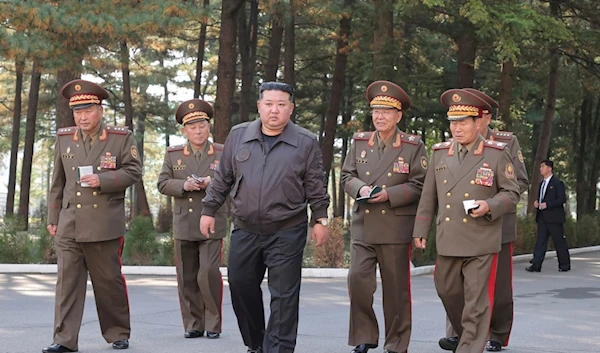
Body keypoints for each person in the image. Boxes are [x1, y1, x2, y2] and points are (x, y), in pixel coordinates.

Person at [200, 81, 330, 353]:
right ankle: (257, 343)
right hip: (245, 229)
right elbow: (223, 177)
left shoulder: (305, 142)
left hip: (286, 230)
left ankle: (279, 349)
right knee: (240, 285)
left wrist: (320, 219)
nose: (274, 110)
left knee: (284, 297)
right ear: (259, 106)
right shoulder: (238, 136)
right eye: (268, 104)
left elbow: (316, 184)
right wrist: (209, 209)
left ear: (291, 109)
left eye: (281, 105)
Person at [412, 89, 519, 353]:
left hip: (482, 238)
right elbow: (428, 197)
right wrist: (421, 228)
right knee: (446, 289)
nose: (456, 128)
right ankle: (469, 333)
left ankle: (470, 345)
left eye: (462, 122)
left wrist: (489, 205)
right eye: (453, 122)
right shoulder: (439, 153)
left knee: (475, 300)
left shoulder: (495, 153)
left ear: (477, 122)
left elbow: (512, 191)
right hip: (449, 237)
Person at [45, 79, 142, 353]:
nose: (82, 117)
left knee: (108, 282)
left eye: (87, 110)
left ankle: (117, 332)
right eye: (77, 112)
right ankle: (63, 340)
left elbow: (134, 171)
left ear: (100, 110)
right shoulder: (65, 138)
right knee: (67, 284)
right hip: (70, 223)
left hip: (104, 225)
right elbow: (58, 181)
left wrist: (104, 180)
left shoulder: (120, 138)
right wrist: (53, 217)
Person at [438, 88, 529, 352]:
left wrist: (492, 204)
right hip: (460, 227)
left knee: (496, 286)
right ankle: (458, 333)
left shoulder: (505, 143)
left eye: (480, 114)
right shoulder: (452, 145)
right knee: (457, 285)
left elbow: (518, 181)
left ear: (484, 117)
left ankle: (498, 333)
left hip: (495, 224)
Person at [340, 81, 427, 353]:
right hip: (363, 225)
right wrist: (360, 189)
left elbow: (420, 185)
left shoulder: (412, 147)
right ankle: (364, 336)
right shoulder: (360, 142)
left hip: (394, 227)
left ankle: (397, 342)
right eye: (376, 110)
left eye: (386, 111)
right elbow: (346, 176)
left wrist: (389, 194)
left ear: (398, 115)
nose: (379, 116)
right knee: (358, 281)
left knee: (396, 291)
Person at [157, 99, 228, 340]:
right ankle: (193, 323)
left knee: (208, 273)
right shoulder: (174, 154)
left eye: (202, 126)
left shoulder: (222, 152)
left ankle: (213, 323)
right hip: (184, 222)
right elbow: (162, 183)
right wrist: (183, 185)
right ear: (184, 130)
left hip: (212, 220)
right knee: (186, 275)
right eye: (192, 127)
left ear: (209, 127)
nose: (198, 131)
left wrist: (212, 182)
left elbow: (236, 180)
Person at [527, 159, 571, 272]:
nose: (540, 169)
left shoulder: (557, 183)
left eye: (543, 166)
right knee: (540, 242)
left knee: (559, 242)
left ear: (549, 168)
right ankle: (536, 265)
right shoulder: (541, 184)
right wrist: (537, 203)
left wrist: (548, 205)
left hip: (555, 218)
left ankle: (564, 265)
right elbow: (542, 198)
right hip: (542, 217)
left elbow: (561, 199)